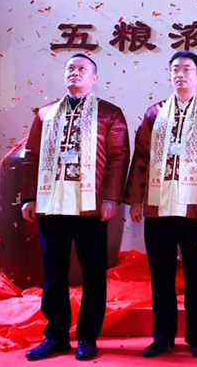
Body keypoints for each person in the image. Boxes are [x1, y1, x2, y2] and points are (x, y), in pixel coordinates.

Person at [21, 53, 130, 362]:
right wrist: (29, 197)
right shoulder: (46, 113)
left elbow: (119, 157)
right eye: (70, 68)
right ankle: (55, 335)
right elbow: (32, 155)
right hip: (52, 203)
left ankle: (87, 336)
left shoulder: (109, 113)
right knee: (53, 273)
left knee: (93, 273)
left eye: (82, 69)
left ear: (94, 78)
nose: (75, 72)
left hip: (90, 207)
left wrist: (111, 198)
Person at [126, 51, 197, 359]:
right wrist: (136, 199)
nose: (180, 74)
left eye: (187, 69)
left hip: (195, 209)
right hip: (158, 207)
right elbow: (141, 156)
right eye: (175, 69)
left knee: (196, 275)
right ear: (169, 75)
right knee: (161, 275)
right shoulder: (154, 113)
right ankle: (162, 336)